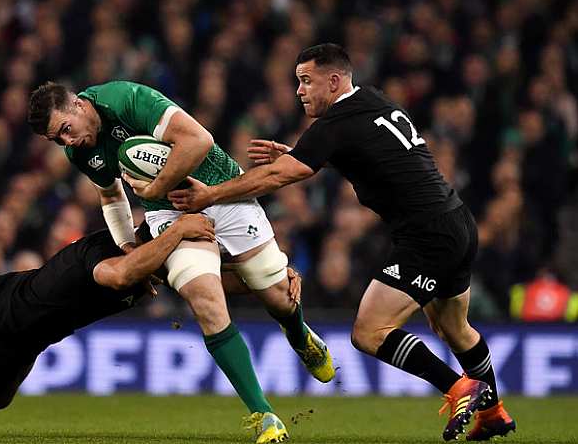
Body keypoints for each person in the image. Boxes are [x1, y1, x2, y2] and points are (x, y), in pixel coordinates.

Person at [167, 43, 516, 442]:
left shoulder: (334, 125)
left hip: (427, 236)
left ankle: (459, 388)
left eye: (306, 81)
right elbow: (365, 150)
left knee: (369, 332)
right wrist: (303, 154)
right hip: (457, 222)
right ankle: (494, 413)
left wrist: (209, 196)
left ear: (333, 81)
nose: (299, 91)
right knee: (455, 327)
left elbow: (277, 177)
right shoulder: (372, 100)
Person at [28, 80, 334, 442]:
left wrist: (156, 189)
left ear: (78, 105)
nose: (67, 142)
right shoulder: (79, 152)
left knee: (278, 296)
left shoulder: (127, 100)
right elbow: (111, 197)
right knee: (205, 298)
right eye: (57, 140)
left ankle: (297, 333)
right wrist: (128, 245)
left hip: (219, 187)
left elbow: (199, 141)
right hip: (167, 215)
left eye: (65, 130)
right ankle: (264, 414)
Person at [0, 215, 297, 443]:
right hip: (12, 326)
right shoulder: (117, 265)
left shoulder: (140, 257)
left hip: (10, 305)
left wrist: (269, 283)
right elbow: (119, 275)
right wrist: (180, 232)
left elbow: (209, 285)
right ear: (163, 243)